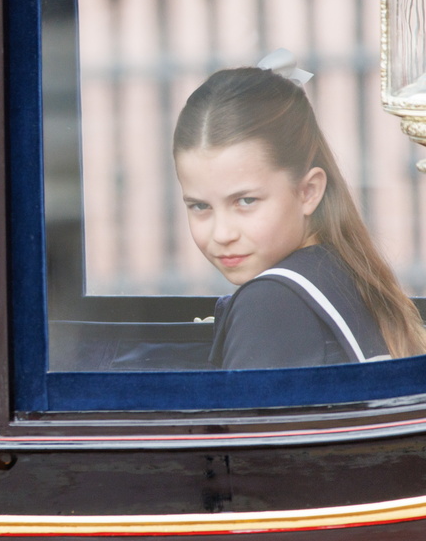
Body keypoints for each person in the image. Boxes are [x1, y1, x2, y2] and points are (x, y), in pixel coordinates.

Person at [173, 50, 426, 369]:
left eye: (246, 201)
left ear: (308, 191)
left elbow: (251, 422)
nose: (222, 234)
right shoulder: (344, 269)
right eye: (199, 206)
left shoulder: (269, 302)